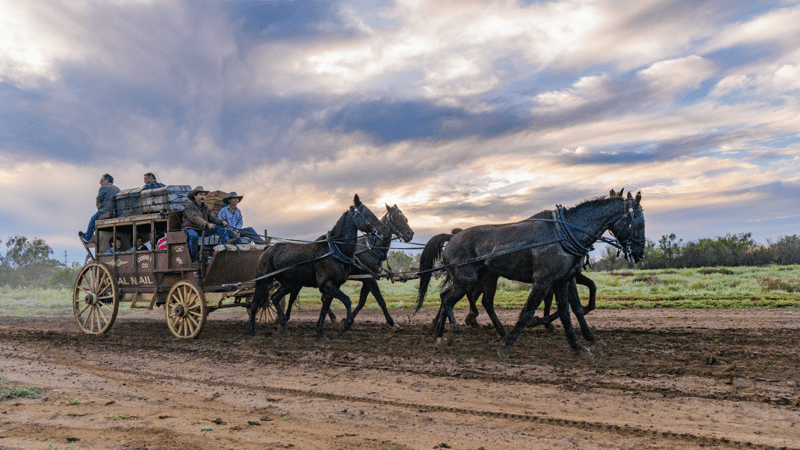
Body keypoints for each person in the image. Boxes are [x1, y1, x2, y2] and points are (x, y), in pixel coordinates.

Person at [182, 186, 229, 262]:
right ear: (195, 196)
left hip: (202, 229)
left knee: (219, 227)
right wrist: (207, 224)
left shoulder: (206, 207)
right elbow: (195, 218)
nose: (203, 197)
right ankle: (194, 260)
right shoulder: (189, 206)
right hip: (191, 228)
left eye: (204, 195)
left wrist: (221, 221)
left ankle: (226, 246)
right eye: (201, 195)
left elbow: (212, 218)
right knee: (193, 236)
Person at [79, 173, 120, 243]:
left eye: (102, 180)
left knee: (92, 219)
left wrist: (101, 211)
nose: (100, 182)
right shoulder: (118, 189)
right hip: (117, 212)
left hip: (106, 210)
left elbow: (98, 204)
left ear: (107, 180)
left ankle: (87, 237)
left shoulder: (103, 188)